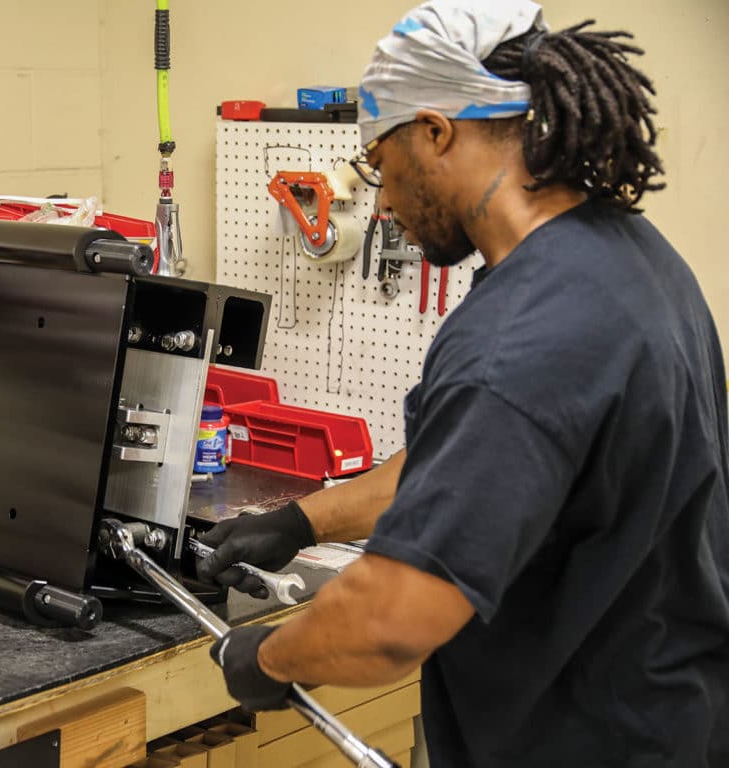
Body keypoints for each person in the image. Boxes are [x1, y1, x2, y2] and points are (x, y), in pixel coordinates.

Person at [196, 1, 729, 766]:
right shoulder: (625, 257)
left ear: (435, 132)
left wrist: (268, 658)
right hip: (673, 713)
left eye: (382, 165)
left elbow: (390, 622)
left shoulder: (521, 338)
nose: (381, 202)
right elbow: (478, 462)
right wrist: (300, 523)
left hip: (581, 740)